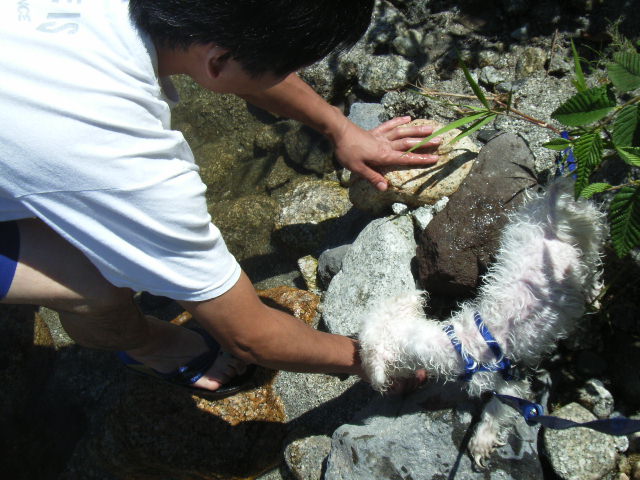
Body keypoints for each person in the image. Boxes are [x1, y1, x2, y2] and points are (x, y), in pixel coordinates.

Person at [0, 0, 438, 397]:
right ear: (220, 60)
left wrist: (338, 126)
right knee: (96, 280)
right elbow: (249, 337)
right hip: (54, 145)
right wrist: (372, 357)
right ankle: (150, 348)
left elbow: (228, 60)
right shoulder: (126, 163)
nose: (288, 76)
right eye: (286, 68)